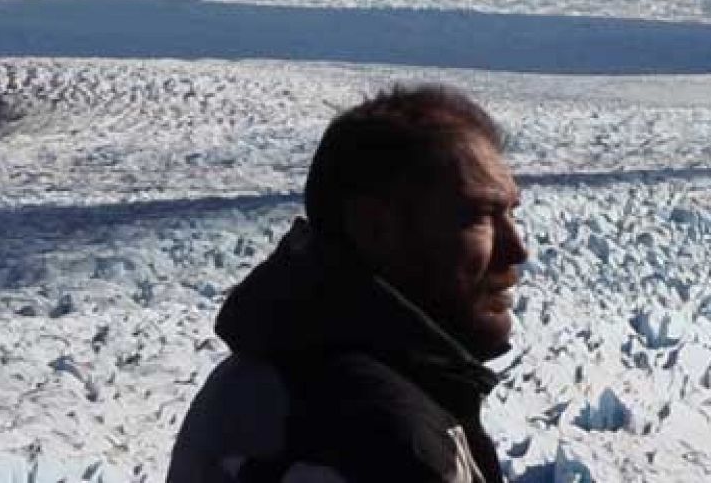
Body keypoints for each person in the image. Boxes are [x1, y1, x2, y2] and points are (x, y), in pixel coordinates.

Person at [167, 84, 529, 483]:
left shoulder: (282, 376)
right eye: (479, 215)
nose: (516, 250)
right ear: (376, 228)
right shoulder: (371, 435)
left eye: (510, 214)